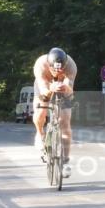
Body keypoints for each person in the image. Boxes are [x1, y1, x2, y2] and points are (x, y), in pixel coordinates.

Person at [33, 47, 77, 178]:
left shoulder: (71, 66)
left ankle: (66, 161)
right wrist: (50, 88)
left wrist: (65, 87)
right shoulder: (41, 64)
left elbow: (70, 91)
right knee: (41, 111)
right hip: (45, 85)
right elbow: (43, 92)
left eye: (61, 69)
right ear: (49, 65)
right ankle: (40, 133)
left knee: (65, 123)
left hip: (63, 86)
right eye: (54, 69)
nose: (57, 72)